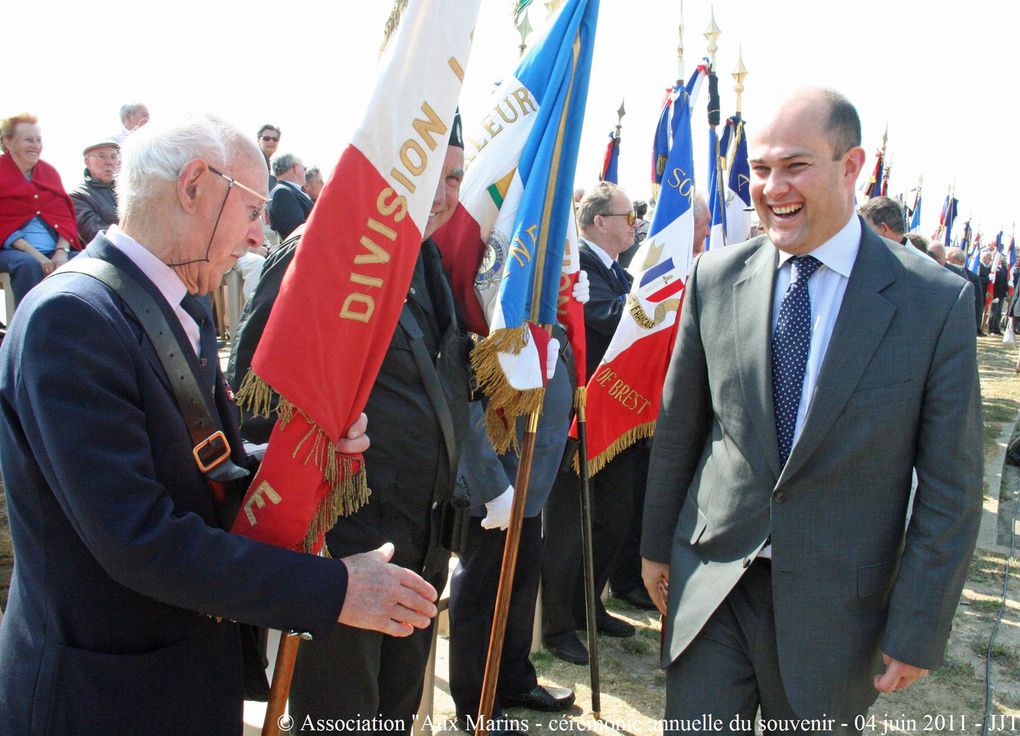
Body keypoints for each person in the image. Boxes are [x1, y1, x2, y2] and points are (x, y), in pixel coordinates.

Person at [0, 114, 440, 735]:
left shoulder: (175, 302)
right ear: (194, 185)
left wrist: (300, 456)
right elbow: (138, 538)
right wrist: (333, 588)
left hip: (179, 675)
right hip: (104, 696)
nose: (261, 235)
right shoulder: (70, 320)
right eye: (254, 209)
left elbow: (208, 467)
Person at [641, 88, 983, 734]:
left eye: (795, 166)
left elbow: (951, 487)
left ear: (851, 167)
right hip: (715, 591)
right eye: (761, 169)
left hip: (836, 616)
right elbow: (681, 427)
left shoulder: (933, 305)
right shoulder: (715, 278)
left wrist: (918, 623)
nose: (772, 187)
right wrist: (656, 545)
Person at [229, 123, 470, 734]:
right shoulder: (323, 250)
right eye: (430, 175)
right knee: (339, 721)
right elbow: (256, 401)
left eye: (454, 179)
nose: (441, 195)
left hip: (419, 546)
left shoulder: (428, 257)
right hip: (343, 553)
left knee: (393, 715)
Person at [542, 182, 639, 666]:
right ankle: (559, 626)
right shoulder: (577, 261)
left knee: (608, 519)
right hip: (580, 415)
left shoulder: (616, 270)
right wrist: (655, 306)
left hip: (615, 414)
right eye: (628, 215)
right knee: (569, 526)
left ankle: (588, 606)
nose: (634, 223)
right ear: (600, 221)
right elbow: (600, 317)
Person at [0, 112, 79, 308]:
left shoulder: (49, 173)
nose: (36, 145)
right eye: (29, 140)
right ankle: (28, 327)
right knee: (27, 264)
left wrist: (61, 251)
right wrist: (37, 255)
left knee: (89, 261)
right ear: (8, 142)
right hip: (11, 249)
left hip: (54, 248)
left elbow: (65, 218)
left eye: (39, 140)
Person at [69, 139, 121, 244]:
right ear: (87, 162)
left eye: (113, 157)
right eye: (102, 156)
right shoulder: (78, 196)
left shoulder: (130, 190)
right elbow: (95, 234)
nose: (109, 162)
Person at [268, 152, 313, 239]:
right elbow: (297, 231)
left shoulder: (286, 191)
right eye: (304, 168)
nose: (305, 172)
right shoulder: (282, 193)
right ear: (295, 168)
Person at [944, 247, 983, 335]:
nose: (946, 262)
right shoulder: (940, 273)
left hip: (962, 321)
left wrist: (975, 325)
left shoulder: (973, 278)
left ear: (960, 262)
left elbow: (978, 304)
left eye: (949, 260)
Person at [256, 123, 281, 189]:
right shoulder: (254, 161)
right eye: (267, 138)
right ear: (259, 140)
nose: (271, 141)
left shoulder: (271, 164)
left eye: (275, 139)